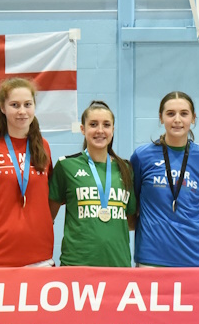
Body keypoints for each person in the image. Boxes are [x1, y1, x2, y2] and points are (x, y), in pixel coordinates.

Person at [0, 78, 54, 267]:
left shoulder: (43, 146)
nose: (22, 111)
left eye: (27, 104)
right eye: (15, 105)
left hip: (39, 255)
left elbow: (47, 199)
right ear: (2, 107)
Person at [131, 92, 199, 267]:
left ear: (193, 118)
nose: (177, 120)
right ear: (161, 118)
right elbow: (133, 208)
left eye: (184, 114)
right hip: (152, 257)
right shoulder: (142, 156)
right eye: (170, 113)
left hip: (195, 257)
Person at [49, 100, 136, 266]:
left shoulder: (125, 169)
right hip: (76, 265)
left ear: (113, 130)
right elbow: (48, 217)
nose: (100, 130)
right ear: (83, 129)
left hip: (118, 264)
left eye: (106, 125)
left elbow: (131, 222)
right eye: (93, 124)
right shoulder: (66, 166)